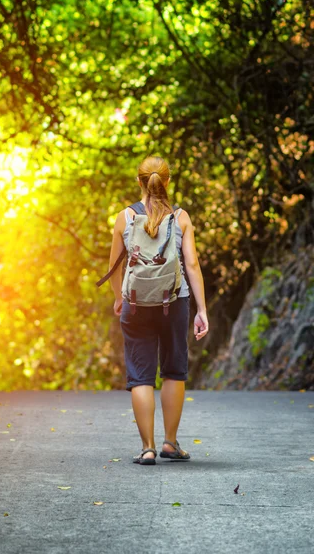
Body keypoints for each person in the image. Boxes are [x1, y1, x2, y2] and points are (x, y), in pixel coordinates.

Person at [108, 155, 209, 465]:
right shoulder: (181, 218)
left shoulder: (124, 218)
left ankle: (148, 447)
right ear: (167, 181)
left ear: (140, 182)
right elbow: (191, 264)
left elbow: (114, 269)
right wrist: (201, 309)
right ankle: (170, 443)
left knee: (140, 377)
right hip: (175, 302)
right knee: (174, 372)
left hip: (136, 305)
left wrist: (119, 298)